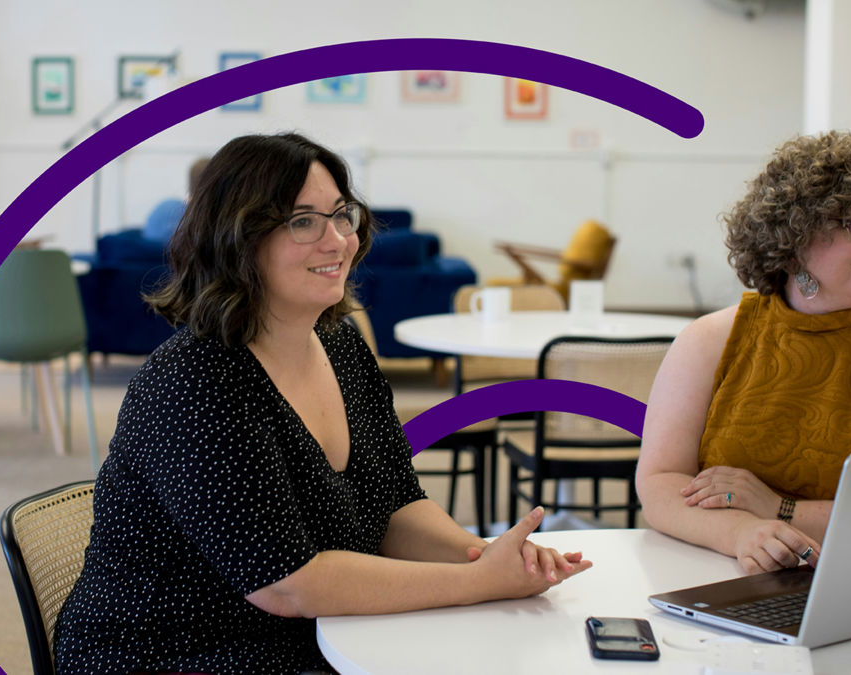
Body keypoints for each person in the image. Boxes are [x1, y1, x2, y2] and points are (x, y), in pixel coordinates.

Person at [53, 132, 592, 675]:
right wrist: (476, 583)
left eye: (341, 215)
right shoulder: (194, 381)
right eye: (303, 221)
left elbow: (396, 504)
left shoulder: (341, 344)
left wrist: (482, 555)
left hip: (307, 635)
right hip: (173, 652)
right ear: (238, 238)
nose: (337, 240)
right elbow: (287, 584)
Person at [636, 131, 851, 575]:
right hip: (716, 580)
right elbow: (659, 484)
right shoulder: (708, 342)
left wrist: (780, 509)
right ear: (795, 236)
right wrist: (740, 533)